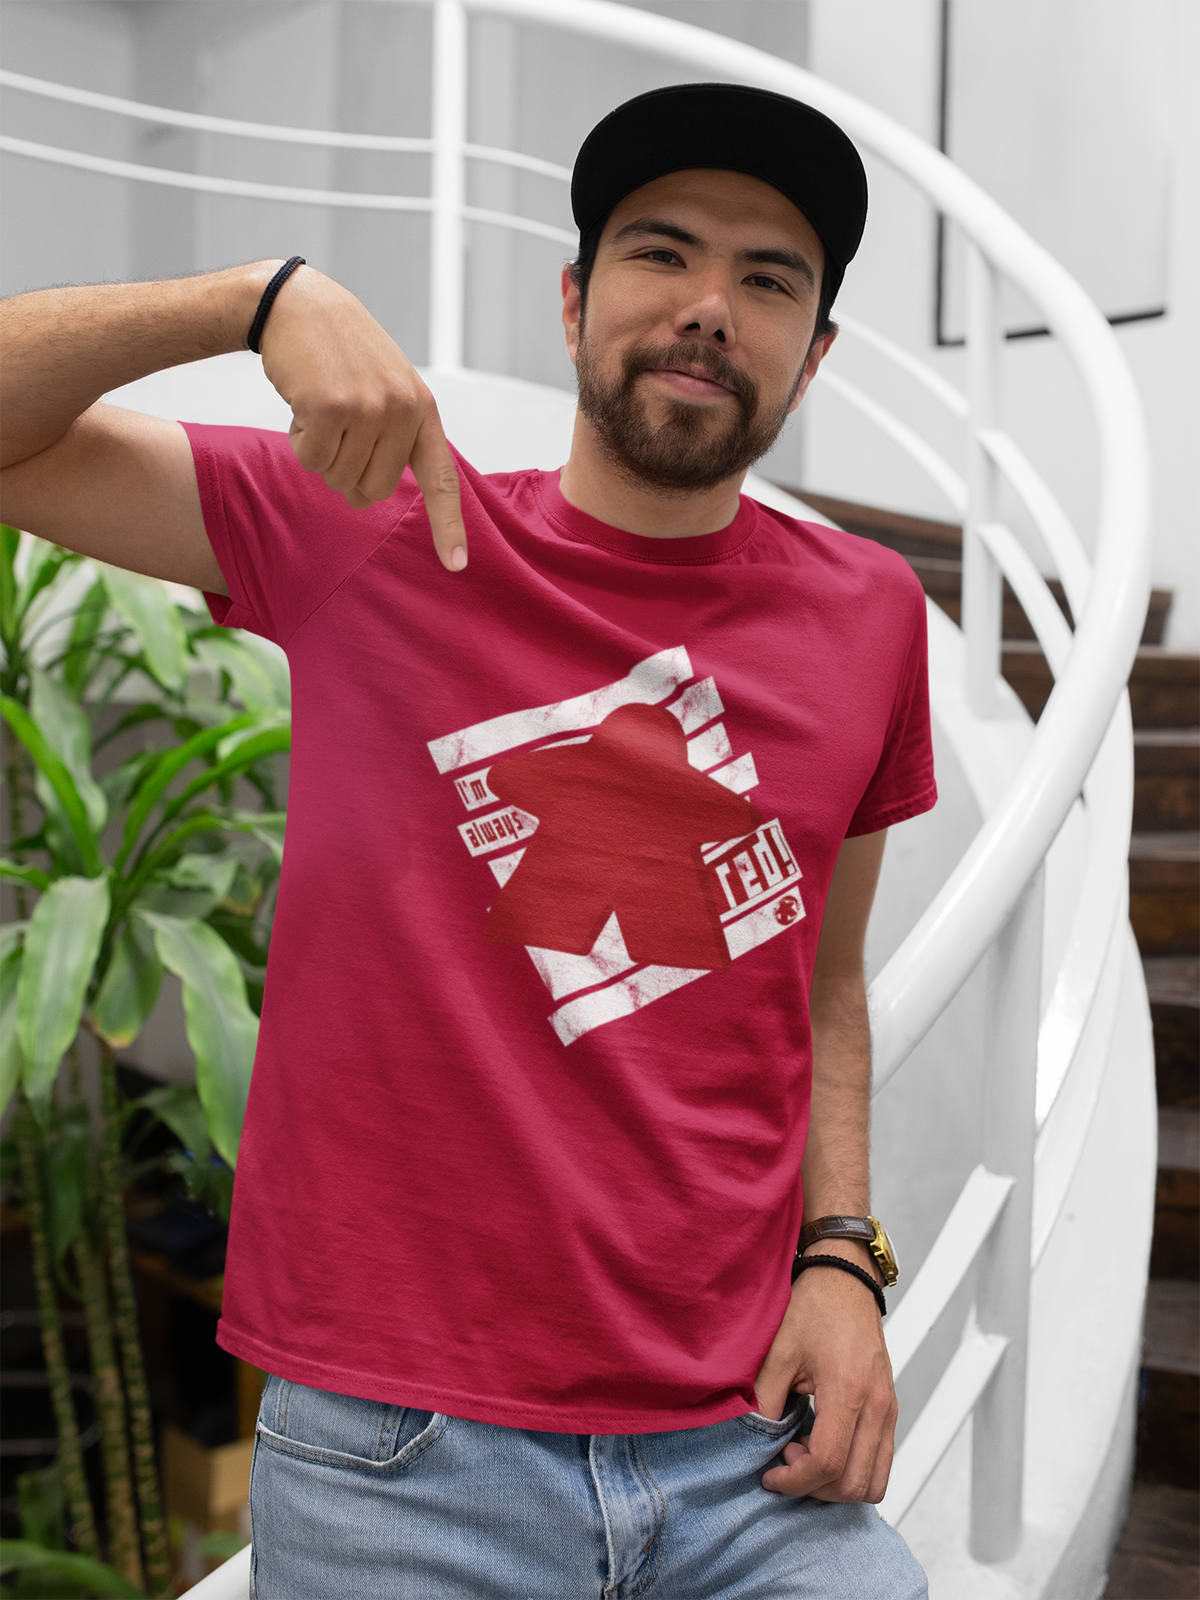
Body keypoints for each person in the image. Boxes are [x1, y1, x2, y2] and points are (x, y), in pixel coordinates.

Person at [0, 82, 935, 1599]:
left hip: (744, 1445)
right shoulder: (366, 529)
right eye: (662, 253)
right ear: (572, 303)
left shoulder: (872, 614)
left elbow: (825, 981)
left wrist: (842, 1256)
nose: (711, 307)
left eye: (771, 281)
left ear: (812, 356)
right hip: (401, 1463)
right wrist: (255, 300)